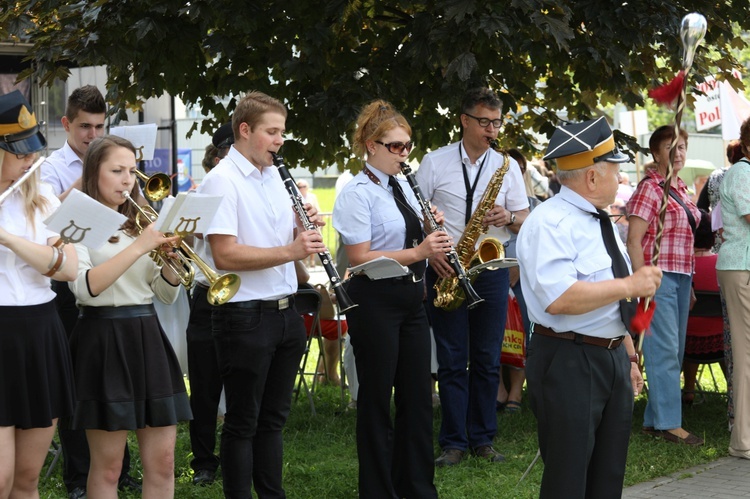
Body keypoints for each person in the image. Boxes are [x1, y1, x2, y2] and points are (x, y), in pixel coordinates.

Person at [517, 117, 661, 498]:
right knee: (569, 480)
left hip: (610, 357)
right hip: (569, 358)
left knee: (607, 476)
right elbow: (560, 298)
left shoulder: (600, 222)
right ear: (593, 178)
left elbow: (613, 301)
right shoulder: (550, 223)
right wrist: (631, 284)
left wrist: (628, 356)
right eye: (615, 170)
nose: (620, 178)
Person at [199, 91, 324, 498]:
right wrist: (291, 250)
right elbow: (225, 253)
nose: (279, 140)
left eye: (282, 132)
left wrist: (298, 229)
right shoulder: (221, 179)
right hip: (244, 315)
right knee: (242, 422)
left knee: (273, 420)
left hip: (284, 312)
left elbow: (272, 237)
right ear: (245, 129)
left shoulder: (273, 175)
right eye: (272, 132)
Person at [333, 99, 449, 498]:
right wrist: (420, 252)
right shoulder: (356, 193)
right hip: (374, 299)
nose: (404, 154)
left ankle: (417, 488)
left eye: (407, 146)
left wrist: (430, 223)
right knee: (376, 400)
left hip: (410, 298)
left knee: (417, 399)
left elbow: (414, 235)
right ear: (371, 145)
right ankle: (378, 490)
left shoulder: (403, 185)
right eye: (395, 146)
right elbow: (359, 256)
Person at [66, 135, 192, 497]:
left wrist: (173, 260)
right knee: (108, 469)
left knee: (164, 462)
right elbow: (87, 288)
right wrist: (141, 247)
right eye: (117, 170)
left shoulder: (140, 222)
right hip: (101, 338)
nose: (127, 180)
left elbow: (166, 294)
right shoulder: (79, 219)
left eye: (133, 171)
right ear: (94, 173)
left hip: (146, 334)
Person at [415, 87, 529, 466]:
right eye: (484, 122)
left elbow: (524, 218)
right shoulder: (435, 161)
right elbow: (416, 215)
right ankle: (453, 442)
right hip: (447, 265)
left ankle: (482, 438)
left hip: (490, 268)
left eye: (497, 122)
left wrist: (508, 218)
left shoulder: (506, 166)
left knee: (486, 357)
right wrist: (430, 254)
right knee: (451, 358)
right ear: (464, 120)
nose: (492, 130)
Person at [39, 84, 141, 499]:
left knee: (114, 387)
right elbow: (49, 221)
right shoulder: (48, 169)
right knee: (77, 385)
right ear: (67, 124)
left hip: (113, 273)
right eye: (85, 127)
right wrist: (88, 179)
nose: (92, 135)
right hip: (67, 281)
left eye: (100, 127)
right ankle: (80, 477)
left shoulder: (116, 163)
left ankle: (120, 472)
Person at [0, 90, 77, 499]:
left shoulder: (40, 196)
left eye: (33, 151)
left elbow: (68, 267)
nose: (30, 160)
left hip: (39, 330)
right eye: (19, 152)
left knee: (27, 480)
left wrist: (9, 239)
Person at [626, 125, 703, 445]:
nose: (679, 152)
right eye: (671, 147)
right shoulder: (650, 188)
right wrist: (642, 283)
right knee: (664, 351)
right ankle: (670, 424)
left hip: (681, 277)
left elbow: (685, 240)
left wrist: (692, 284)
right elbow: (633, 241)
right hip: (657, 277)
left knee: (672, 349)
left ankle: (652, 420)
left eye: (683, 146)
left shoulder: (680, 188)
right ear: (656, 153)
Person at [185, 123, 232, 486]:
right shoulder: (202, 191)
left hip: (245, 294)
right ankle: (203, 461)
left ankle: (237, 454)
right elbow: (190, 233)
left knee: (244, 382)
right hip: (207, 290)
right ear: (217, 156)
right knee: (203, 385)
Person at [496, 148, 539, 413]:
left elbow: (542, 246)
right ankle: (499, 389)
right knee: (496, 334)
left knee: (522, 335)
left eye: (519, 168)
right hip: (494, 275)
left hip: (524, 281)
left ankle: (515, 394)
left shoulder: (536, 206)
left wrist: (520, 269)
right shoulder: (491, 204)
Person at [717, 117, 750, 459]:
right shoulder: (742, 172)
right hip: (740, 266)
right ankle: (742, 441)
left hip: (743, 265)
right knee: (744, 354)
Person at [682, 212, 727, 405]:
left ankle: (689, 390)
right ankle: (733, 389)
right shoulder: (724, 265)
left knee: (691, 327)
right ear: (713, 235)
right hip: (722, 344)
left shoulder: (680, 268)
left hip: (685, 344)